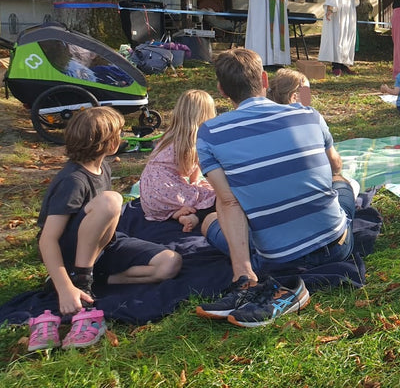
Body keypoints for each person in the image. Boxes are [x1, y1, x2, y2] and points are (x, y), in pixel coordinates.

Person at [195, 48, 355, 327]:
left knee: (211, 218)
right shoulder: (310, 115)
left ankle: (245, 276)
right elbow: (334, 167)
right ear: (265, 79)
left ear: (222, 90)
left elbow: (229, 202)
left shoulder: (210, 134)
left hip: (275, 261)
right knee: (342, 185)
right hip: (335, 245)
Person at [33, 107, 182, 350]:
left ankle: (93, 280)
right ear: (106, 142)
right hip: (68, 253)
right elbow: (47, 239)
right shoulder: (73, 180)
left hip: (102, 247)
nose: (123, 137)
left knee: (170, 264)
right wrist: (64, 288)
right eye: (120, 133)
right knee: (112, 200)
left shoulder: (103, 168)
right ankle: (79, 281)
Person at [139, 90, 218, 232]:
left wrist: (194, 184)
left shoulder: (169, 136)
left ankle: (176, 213)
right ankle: (195, 216)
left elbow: (192, 170)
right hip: (168, 191)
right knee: (217, 197)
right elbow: (208, 171)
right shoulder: (194, 141)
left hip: (149, 199)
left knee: (199, 189)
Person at [319, 0, 362, 76]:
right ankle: (336, 66)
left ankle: (344, 64)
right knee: (338, 36)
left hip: (349, 10)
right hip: (338, 9)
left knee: (348, 36)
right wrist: (330, 8)